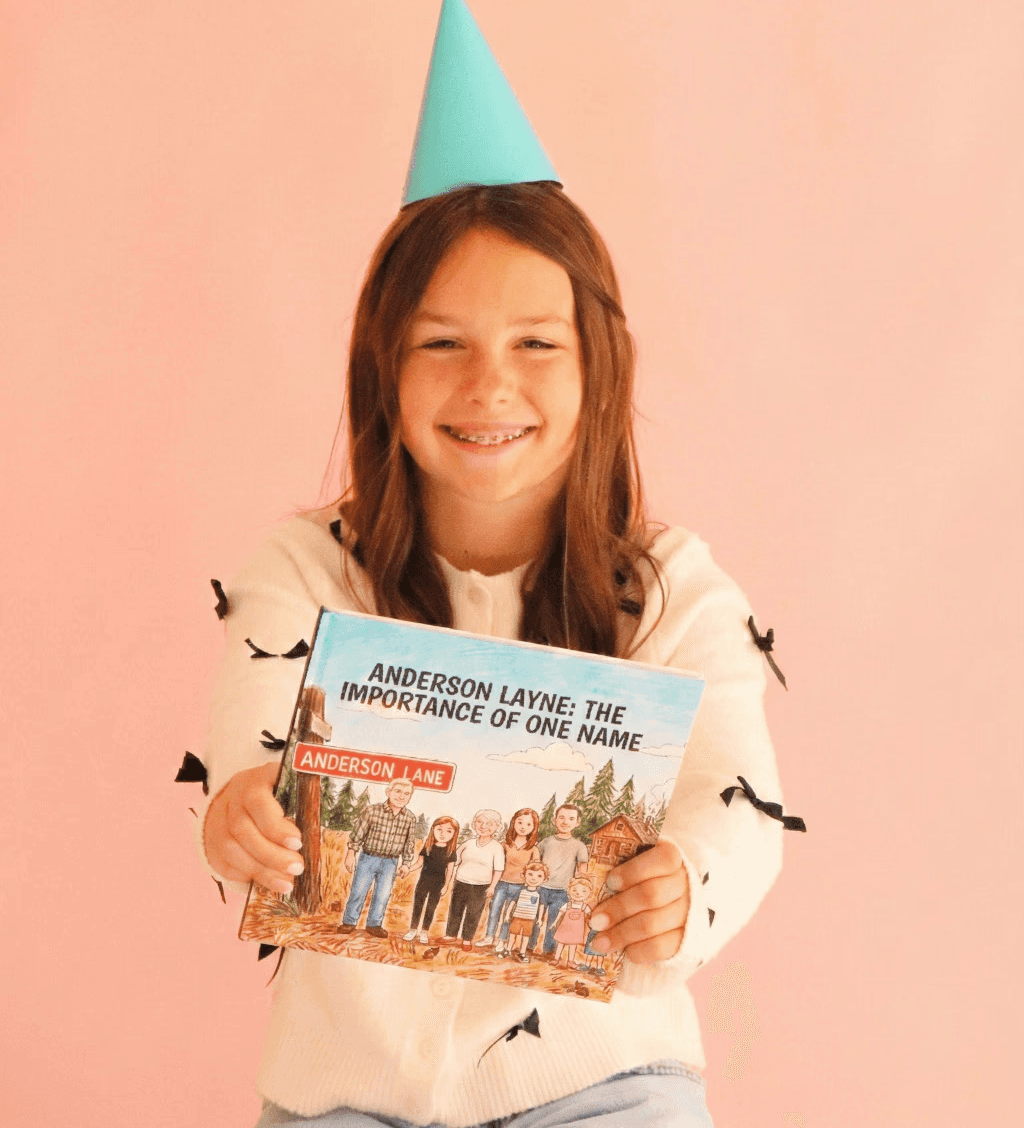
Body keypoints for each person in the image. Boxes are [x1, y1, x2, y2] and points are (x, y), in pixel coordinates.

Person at [198, 180, 786, 1128]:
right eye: (442, 343)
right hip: (342, 1097)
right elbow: (252, 744)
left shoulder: (675, 589)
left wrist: (687, 884)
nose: (489, 385)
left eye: (536, 343)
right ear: (380, 365)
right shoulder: (302, 571)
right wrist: (242, 817)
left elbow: (739, 794)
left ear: (601, 364)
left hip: (606, 1084)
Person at [338, 777, 417, 939]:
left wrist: (406, 864)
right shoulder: (372, 811)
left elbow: (409, 843)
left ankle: (374, 924)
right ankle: (349, 922)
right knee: (359, 890)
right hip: (368, 858)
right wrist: (351, 854)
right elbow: (358, 834)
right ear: (388, 792)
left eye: (407, 794)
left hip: (391, 862)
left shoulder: (409, 818)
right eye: (398, 792)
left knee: (382, 894)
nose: (401, 796)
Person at [475, 806, 541, 949]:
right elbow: (495, 865)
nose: (523, 827)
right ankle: (489, 936)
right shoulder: (504, 845)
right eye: (520, 822)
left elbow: (536, 869)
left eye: (529, 824)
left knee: (509, 914)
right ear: (513, 823)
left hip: (520, 887)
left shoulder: (533, 849)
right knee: (494, 911)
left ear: (534, 828)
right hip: (502, 884)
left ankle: (502, 940)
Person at [441, 809, 505, 950]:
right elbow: (453, 860)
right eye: (480, 822)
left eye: (489, 823)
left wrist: (492, 887)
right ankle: (451, 934)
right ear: (474, 824)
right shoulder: (468, 843)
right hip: (461, 882)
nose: (483, 826)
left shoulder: (497, 847)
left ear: (496, 827)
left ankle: (467, 938)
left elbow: (499, 869)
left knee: (473, 912)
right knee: (456, 909)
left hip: (481, 886)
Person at [533, 803, 589, 958]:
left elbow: (582, 870)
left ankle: (549, 951)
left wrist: (578, 890)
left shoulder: (579, 846)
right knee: (534, 918)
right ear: (554, 820)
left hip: (562, 891)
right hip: (541, 888)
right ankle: (529, 947)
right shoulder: (546, 842)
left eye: (571, 819)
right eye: (562, 817)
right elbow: (536, 862)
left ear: (577, 823)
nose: (565, 822)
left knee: (554, 922)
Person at [403, 814, 459, 943]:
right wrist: (407, 869)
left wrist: (445, 886)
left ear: (454, 834)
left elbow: (450, 871)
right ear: (433, 829)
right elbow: (418, 863)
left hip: (438, 884)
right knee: (418, 905)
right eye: (439, 829)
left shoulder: (451, 851)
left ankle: (424, 931)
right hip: (423, 882)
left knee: (431, 907)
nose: (443, 834)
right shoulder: (427, 847)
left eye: (448, 831)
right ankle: (413, 929)